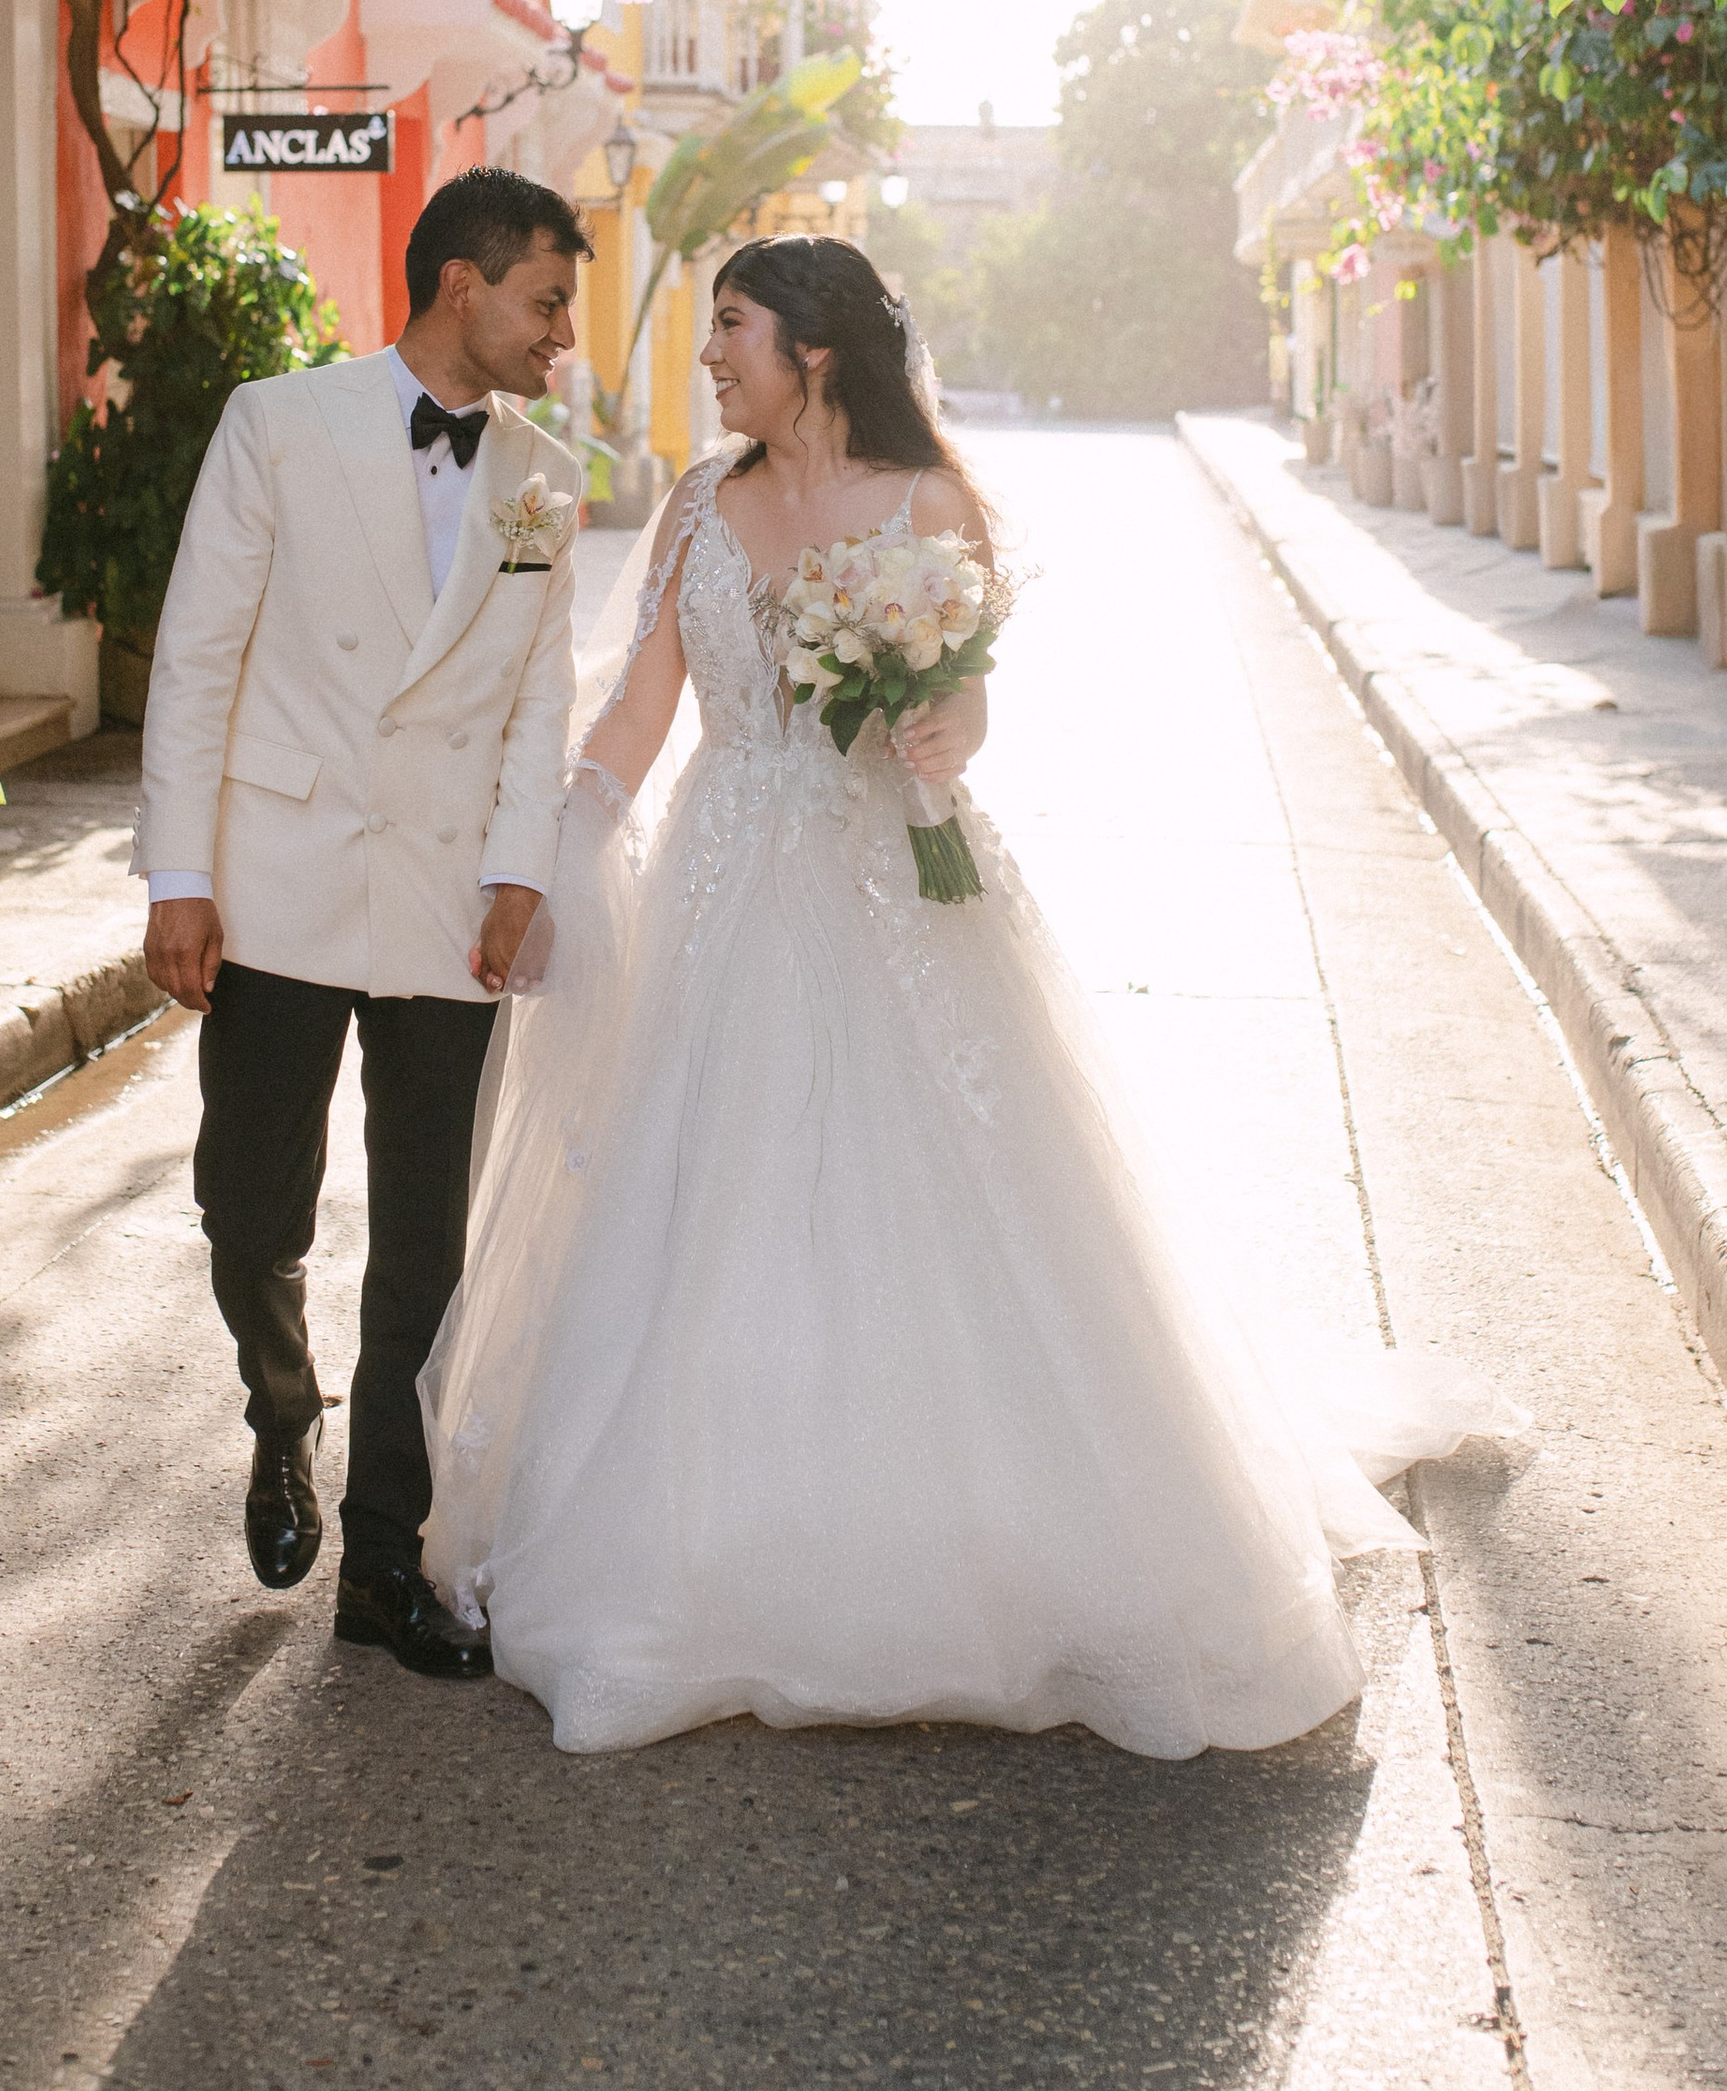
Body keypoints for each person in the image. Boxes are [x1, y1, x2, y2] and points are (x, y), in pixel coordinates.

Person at [421, 233, 1512, 1756]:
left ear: (811, 348)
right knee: (712, 1187)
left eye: (731, 327)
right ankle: (710, 1538)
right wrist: (556, 854)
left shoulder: (928, 502)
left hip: (893, 882)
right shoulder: (696, 506)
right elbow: (638, 709)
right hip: (724, 884)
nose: (709, 356)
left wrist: (951, 731)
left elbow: (967, 688)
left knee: (933, 1188)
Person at [136, 166, 589, 1679]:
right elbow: (198, 655)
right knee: (249, 1207)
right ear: (463, 283)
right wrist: (179, 877)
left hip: (449, 901)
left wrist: (520, 870)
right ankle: (283, 1411)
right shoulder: (278, 423)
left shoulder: (541, 478)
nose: (563, 334)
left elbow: (538, 697)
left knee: (425, 1247)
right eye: (546, 301)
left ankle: (384, 1561)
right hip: (277, 883)